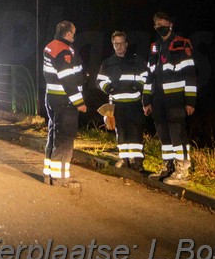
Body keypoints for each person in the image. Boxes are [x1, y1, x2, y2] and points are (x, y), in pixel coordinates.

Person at [142, 11, 197, 185]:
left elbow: (190, 74)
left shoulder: (182, 43)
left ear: (170, 23)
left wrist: (190, 101)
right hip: (158, 100)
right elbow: (149, 75)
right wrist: (146, 100)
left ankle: (182, 170)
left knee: (177, 134)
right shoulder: (154, 47)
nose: (160, 26)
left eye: (163, 22)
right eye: (157, 23)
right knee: (164, 135)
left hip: (176, 99)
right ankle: (169, 167)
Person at [42, 20, 87, 187]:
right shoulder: (63, 50)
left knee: (54, 135)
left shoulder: (51, 46)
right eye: (73, 33)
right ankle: (60, 177)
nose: (74, 36)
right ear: (67, 34)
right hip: (65, 101)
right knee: (65, 138)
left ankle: (49, 174)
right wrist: (79, 102)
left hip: (53, 98)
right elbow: (67, 78)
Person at [97, 31, 147, 171]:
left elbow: (146, 77)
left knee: (135, 132)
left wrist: (137, 86)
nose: (119, 46)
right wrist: (109, 88)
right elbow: (99, 80)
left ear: (126, 44)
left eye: (121, 43)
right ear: (113, 45)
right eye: (116, 44)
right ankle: (124, 159)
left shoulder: (137, 60)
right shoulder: (107, 63)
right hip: (117, 104)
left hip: (134, 103)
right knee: (121, 132)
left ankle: (138, 162)